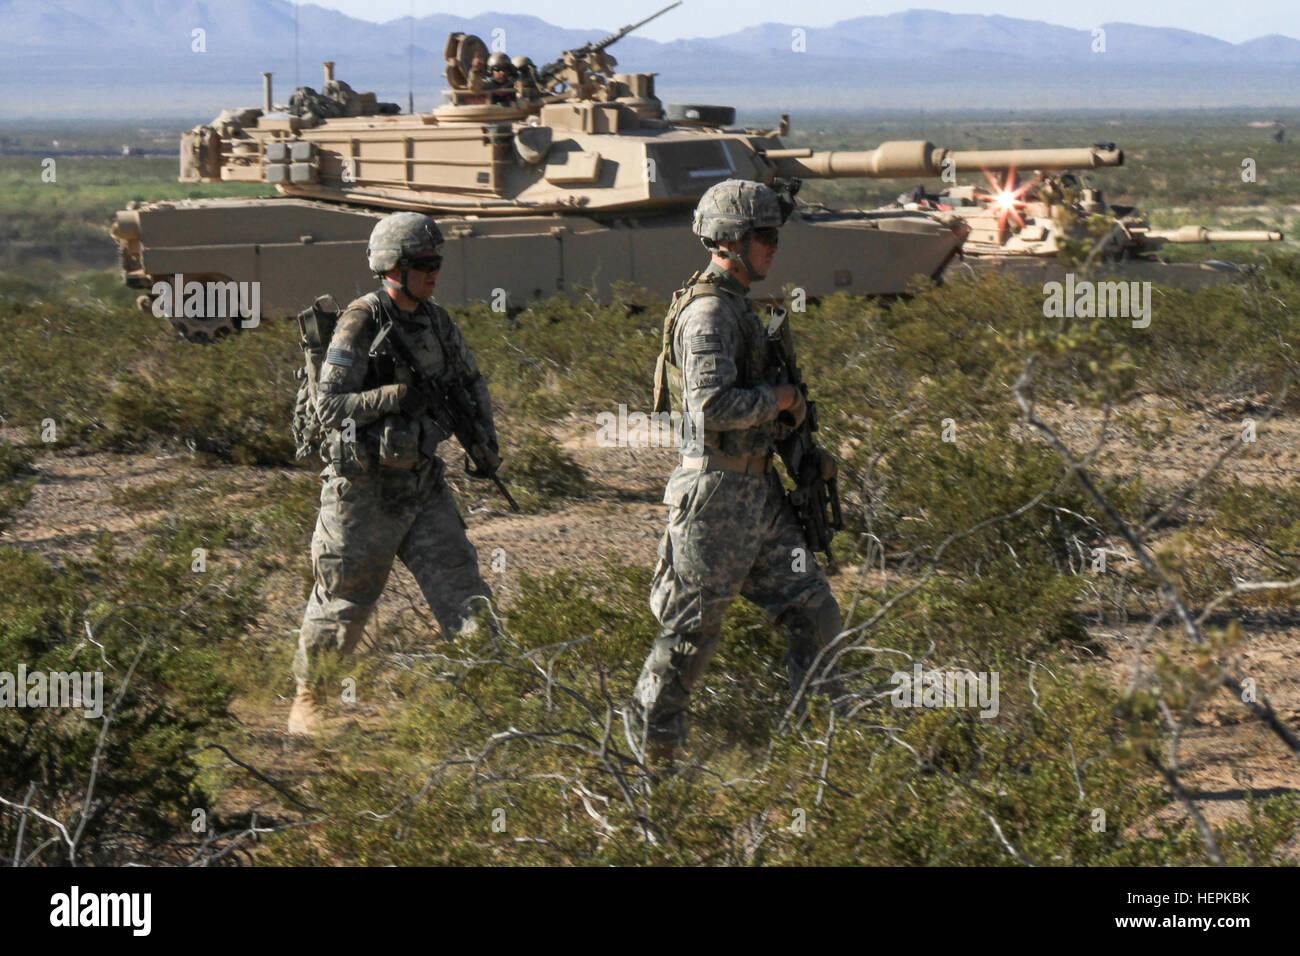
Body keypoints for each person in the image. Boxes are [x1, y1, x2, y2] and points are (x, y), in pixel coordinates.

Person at [633, 179, 843, 766]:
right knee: (689, 635)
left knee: (814, 610)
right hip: (717, 495)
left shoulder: (741, 309)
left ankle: (814, 753)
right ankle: (652, 762)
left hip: (758, 492)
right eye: (764, 236)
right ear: (729, 241)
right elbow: (706, 409)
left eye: (776, 234)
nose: (775, 248)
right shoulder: (707, 314)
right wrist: (777, 400)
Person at [288, 212, 501, 736]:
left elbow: (469, 380)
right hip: (364, 490)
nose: (434, 272)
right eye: (423, 264)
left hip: (423, 483)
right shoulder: (361, 321)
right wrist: (398, 396)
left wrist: (483, 441)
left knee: (463, 589)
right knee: (344, 598)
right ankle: (310, 701)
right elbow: (329, 408)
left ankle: (494, 695)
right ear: (393, 268)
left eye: (437, 262)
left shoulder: (437, 321)